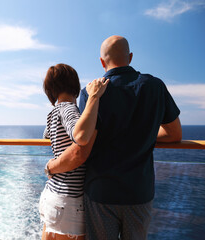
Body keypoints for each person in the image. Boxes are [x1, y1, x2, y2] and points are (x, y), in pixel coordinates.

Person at [44, 36, 182, 240]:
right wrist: (144, 135)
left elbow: (82, 147)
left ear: (102, 61)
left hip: (101, 193)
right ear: (131, 57)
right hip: (139, 193)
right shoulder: (156, 86)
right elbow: (174, 134)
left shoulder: (92, 93)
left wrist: (51, 167)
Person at [40, 63, 109, 240]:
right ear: (75, 86)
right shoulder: (70, 109)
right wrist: (94, 100)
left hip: (54, 193)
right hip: (68, 199)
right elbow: (79, 135)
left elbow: (47, 134)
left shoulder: (53, 112)